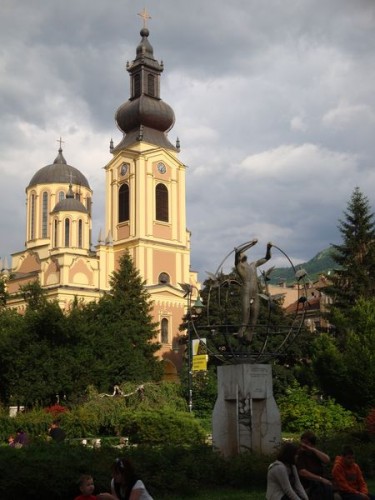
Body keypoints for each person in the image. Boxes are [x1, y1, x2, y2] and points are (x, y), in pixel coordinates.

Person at [234, 239, 272, 343]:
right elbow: (237, 251)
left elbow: (267, 258)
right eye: (241, 253)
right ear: (239, 257)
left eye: (243, 252)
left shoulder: (253, 264)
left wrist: (268, 248)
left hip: (255, 293)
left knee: (255, 315)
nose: (242, 253)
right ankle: (241, 333)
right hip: (246, 291)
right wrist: (251, 244)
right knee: (245, 316)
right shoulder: (239, 266)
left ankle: (249, 336)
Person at [296, 431, 334, 500]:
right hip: (307, 484)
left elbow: (327, 460)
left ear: (312, 444)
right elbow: (303, 472)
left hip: (319, 483)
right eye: (302, 442)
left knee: (328, 488)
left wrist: (313, 449)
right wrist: (320, 479)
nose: (303, 445)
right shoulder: (300, 455)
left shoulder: (315, 453)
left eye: (306, 443)